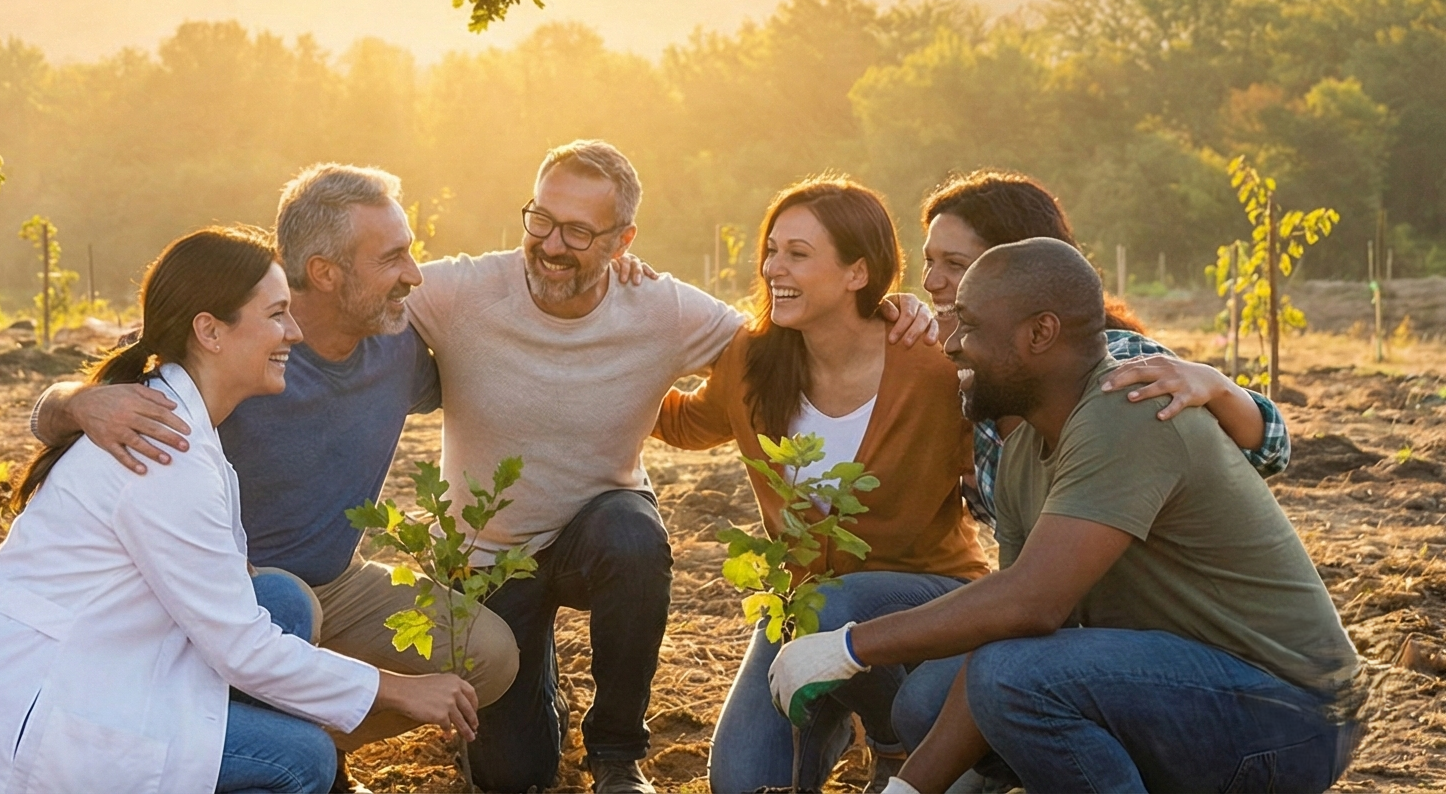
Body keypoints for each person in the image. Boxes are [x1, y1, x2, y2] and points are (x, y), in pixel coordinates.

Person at [406, 141, 942, 794]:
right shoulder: (461, 290)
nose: (551, 243)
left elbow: (783, 334)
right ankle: (538, 695)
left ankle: (616, 754)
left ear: (621, 240)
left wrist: (898, 309)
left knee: (634, 536)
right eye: (541, 219)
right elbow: (360, 295)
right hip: (487, 554)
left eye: (579, 231)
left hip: (598, 535)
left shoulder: (665, 308)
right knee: (513, 774)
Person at [767, 238, 1363, 794]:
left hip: (1295, 717)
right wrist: (908, 789)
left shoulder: (1127, 410)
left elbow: (1032, 603)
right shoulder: (1028, 447)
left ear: (1040, 333)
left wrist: (847, 647)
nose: (951, 344)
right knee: (938, 701)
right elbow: (1010, 625)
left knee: (1013, 680)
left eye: (970, 326)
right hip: (1191, 694)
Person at [0, 226, 479, 794]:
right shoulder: (167, 453)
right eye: (277, 314)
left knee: (280, 602)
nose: (295, 332)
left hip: (88, 659)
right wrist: (399, 687)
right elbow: (241, 649)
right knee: (303, 760)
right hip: (35, 705)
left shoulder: (173, 412)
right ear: (209, 330)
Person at [34, 166, 525, 765]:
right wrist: (77, 402)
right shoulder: (240, 347)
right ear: (325, 271)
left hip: (339, 579)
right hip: (224, 589)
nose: (414, 276)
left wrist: (610, 292)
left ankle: (310, 752)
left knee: (488, 652)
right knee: (287, 603)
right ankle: (266, 753)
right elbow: (92, 401)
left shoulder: (398, 347)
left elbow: (512, 361)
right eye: (392, 257)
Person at [651, 179, 987, 794]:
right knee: (741, 782)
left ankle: (889, 739)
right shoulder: (752, 359)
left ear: (858, 272)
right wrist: (597, 360)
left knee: (836, 601)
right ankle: (834, 711)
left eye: (797, 254)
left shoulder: (932, 365)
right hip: (801, 606)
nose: (773, 268)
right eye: (771, 251)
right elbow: (682, 421)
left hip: (929, 596)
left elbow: (1003, 454)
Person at [917, 171, 1288, 525]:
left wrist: (1217, 386)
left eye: (955, 263)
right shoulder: (973, 374)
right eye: (929, 260)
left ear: (1026, 271)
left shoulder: (1117, 367)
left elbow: (1268, 451)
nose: (931, 281)